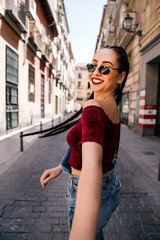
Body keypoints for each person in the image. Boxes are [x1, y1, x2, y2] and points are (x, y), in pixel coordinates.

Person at [40, 45, 130, 240]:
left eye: (105, 68)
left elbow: (92, 164)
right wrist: (60, 167)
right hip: (110, 188)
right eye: (93, 66)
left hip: (88, 191)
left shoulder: (93, 109)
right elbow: (85, 144)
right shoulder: (111, 103)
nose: (95, 73)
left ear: (120, 77)